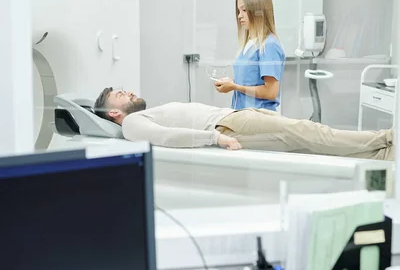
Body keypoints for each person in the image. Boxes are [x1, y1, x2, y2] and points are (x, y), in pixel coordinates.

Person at [94, 87, 394, 161]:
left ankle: (382, 155)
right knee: (307, 132)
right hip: (228, 128)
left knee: (305, 140)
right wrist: (214, 139)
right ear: (113, 114)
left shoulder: (139, 115)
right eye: (121, 95)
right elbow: (168, 137)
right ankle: (387, 138)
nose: (129, 92)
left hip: (233, 121)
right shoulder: (131, 123)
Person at [214, 0, 285, 111]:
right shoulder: (249, 45)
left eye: (244, 10)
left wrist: (235, 86)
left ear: (258, 12)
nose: (239, 15)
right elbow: (249, 81)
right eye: (238, 11)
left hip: (259, 118)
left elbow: (271, 92)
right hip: (243, 114)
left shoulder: (269, 45)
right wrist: (231, 83)